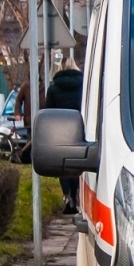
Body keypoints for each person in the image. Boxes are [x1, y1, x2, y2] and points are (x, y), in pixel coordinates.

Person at [41, 61, 84, 212]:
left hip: (59, 131)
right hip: (78, 130)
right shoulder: (83, 86)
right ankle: (75, 193)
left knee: (62, 166)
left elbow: (48, 111)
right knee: (77, 165)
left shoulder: (53, 88)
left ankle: (67, 197)